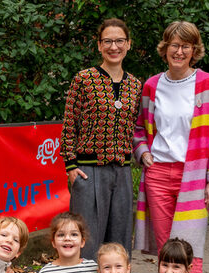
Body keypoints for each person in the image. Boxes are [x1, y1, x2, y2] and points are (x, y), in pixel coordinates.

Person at [132, 20, 209, 273]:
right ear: (165, 48)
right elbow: (139, 128)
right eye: (175, 45)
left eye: (186, 46)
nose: (180, 52)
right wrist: (143, 152)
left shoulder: (207, 84)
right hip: (158, 174)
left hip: (194, 177)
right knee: (167, 252)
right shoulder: (152, 85)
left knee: (189, 250)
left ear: (194, 50)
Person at [61, 18, 142, 260]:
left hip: (122, 170)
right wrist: (71, 166)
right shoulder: (84, 79)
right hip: (88, 171)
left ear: (128, 44)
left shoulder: (135, 85)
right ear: (99, 45)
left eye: (119, 41)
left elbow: (138, 127)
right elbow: (69, 124)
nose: (113, 46)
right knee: (87, 239)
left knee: (120, 239)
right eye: (107, 41)